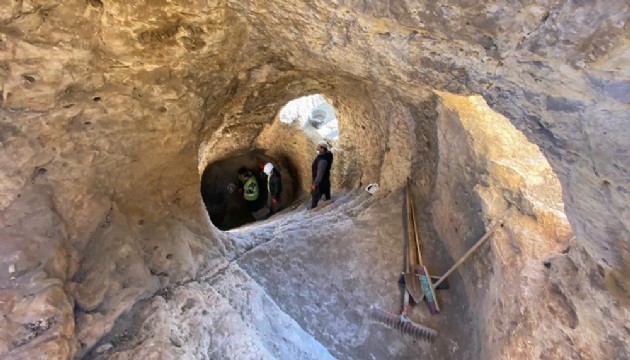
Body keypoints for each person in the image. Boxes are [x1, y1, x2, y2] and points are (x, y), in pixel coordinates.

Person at [310, 140, 333, 209]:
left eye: (319, 147)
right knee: (327, 197)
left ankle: (313, 212)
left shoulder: (322, 160)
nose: (317, 148)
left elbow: (320, 174)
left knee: (315, 200)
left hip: (320, 184)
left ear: (323, 148)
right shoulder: (329, 154)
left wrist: (315, 184)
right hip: (326, 181)